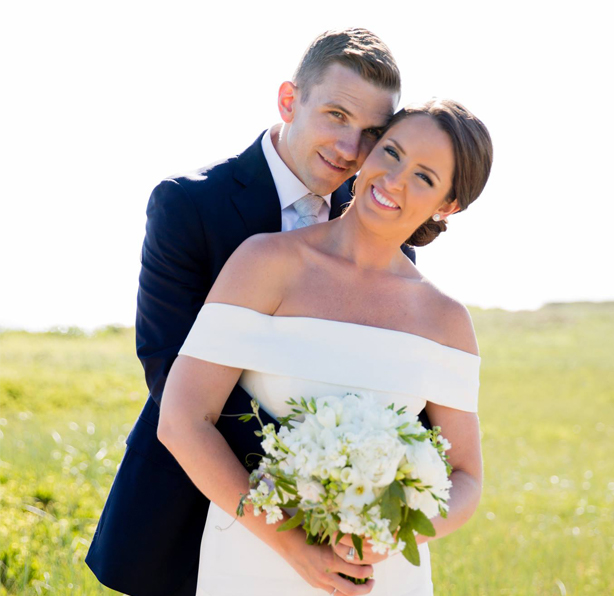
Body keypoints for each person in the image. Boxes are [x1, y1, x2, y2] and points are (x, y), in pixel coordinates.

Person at [86, 28, 407, 596]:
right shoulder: (190, 205)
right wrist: (305, 466)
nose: (351, 149)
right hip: (189, 505)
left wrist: (353, 485)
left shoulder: (385, 227)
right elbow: (167, 366)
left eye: (372, 133)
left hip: (344, 522)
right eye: (336, 115)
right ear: (289, 101)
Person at [158, 99, 493, 595]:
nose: (394, 179)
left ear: (448, 206)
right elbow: (183, 422)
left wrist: (394, 533)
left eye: (424, 178)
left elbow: (466, 478)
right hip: (254, 558)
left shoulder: (445, 320)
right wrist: (294, 547)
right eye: (391, 152)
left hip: (379, 576)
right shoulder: (265, 263)